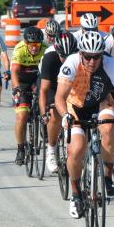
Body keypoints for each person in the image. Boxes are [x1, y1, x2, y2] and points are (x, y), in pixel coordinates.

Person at [55, 31, 114, 218]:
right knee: (77, 148)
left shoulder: (109, 63)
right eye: (88, 56)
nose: (92, 61)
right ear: (81, 53)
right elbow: (59, 97)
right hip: (76, 107)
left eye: (96, 57)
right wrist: (65, 115)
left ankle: (107, 177)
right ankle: (76, 194)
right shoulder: (71, 63)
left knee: (108, 128)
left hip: (101, 102)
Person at [39, 31, 78, 173]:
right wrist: (44, 113)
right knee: (54, 114)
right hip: (52, 84)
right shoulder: (49, 58)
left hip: (70, 83)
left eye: (69, 56)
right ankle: (51, 149)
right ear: (57, 50)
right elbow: (44, 90)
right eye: (63, 56)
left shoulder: (79, 56)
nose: (66, 60)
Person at [11, 26, 49, 165]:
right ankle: (20, 148)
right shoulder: (19, 49)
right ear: (26, 43)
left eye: (37, 45)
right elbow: (14, 71)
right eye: (31, 45)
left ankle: (45, 127)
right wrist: (16, 88)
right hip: (22, 81)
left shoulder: (46, 48)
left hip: (38, 79)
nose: (34, 48)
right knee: (22, 116)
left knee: (47, 103)